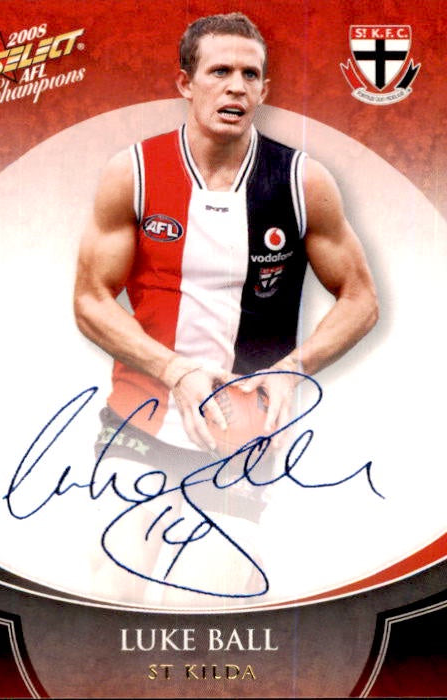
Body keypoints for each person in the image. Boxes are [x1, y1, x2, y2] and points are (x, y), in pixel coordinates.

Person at [73, 13, 378, 602]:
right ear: (185, 83)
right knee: (115, 587)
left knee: (204, 601)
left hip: (241, 434)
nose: (236, 86)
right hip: (141, 415)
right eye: (219, 72)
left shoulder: (300, 182)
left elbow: (361, 299)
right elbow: (89, 301)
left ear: (264, 90)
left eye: (250, 74)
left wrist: (295, 367)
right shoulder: (134, 173)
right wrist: (174, 370)